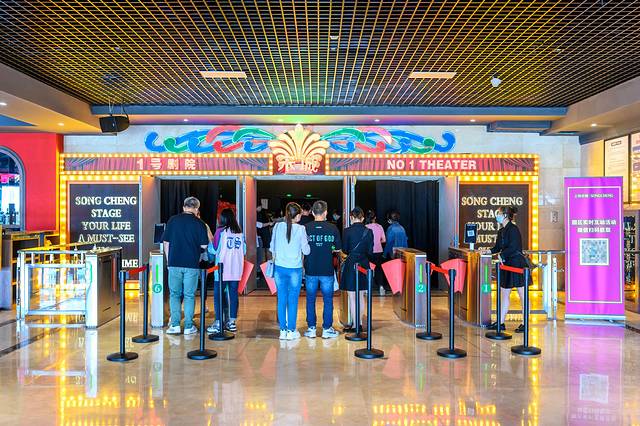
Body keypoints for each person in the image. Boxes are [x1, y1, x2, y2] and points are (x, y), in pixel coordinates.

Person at [162, 196, 210, 335]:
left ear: (184, 207)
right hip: (191, 264)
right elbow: (204, 245)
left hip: (174, 263)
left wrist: (169, 261)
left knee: (174, 294)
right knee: (189, 295)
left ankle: (175, 325)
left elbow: (166, 243)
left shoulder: (173, 220)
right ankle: (189, 326)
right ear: (197, 209)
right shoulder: (200, 223)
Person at [270, 202, 311, 340]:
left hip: (279, 268)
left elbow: (272, 247)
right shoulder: (301, 229)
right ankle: (291, 330)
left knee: (281, 299)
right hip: (295, 269)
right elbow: (306, 250)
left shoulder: (277, 226)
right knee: (292, 300)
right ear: (298, 215)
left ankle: (282, 331)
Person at [485, 206, 528, 333]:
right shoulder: (501, 231)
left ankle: (525, 323)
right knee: (504, 294)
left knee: (522, 294)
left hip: (517, 264)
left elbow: (514, 247)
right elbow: (497, 247)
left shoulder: (513, 229)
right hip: (506, 265)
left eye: (499, 213)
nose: (497, 215)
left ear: (505, 215)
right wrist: (488, 251)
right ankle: (501, 322)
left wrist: (502, 255)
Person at [303, 200, 342, 339]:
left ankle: (311, 328)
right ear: (325, 212)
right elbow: (337, 248)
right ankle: (326, 329)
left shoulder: (305, 228)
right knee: (328, 300)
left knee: (310, 299)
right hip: (326, 269)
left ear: (313, 213)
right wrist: (329, 247)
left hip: (310, 269)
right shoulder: (333, 228)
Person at [207, 208, 245, 335]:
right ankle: (232, 322)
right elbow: (244, 250)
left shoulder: (220, 232)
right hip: (236, 269)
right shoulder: (240, 233)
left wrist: (209, 243)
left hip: (222, 270)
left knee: (218, 296)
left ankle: (218, 322)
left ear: (222, 219)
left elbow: (214, 250)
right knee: (233, 295)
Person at [340, 207, 373, 331]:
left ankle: (356, 325)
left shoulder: (347, 231)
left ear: (351, 217)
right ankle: (359, 323)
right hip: (364, 263)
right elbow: (370, 251)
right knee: (361, 296)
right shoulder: (369, 231)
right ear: (363, 218)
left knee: (352, 297)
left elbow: (345, 250)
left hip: (351, 264)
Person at [366, 210, 387, 296]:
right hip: (378, 251)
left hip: (369, 251)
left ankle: (367, 288)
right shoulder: (380, 226)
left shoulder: (366, 227)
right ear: (375, 218)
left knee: (368, 269)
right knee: (379, 269)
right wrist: (378, 241)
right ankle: (381, 287)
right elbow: (384, 240)